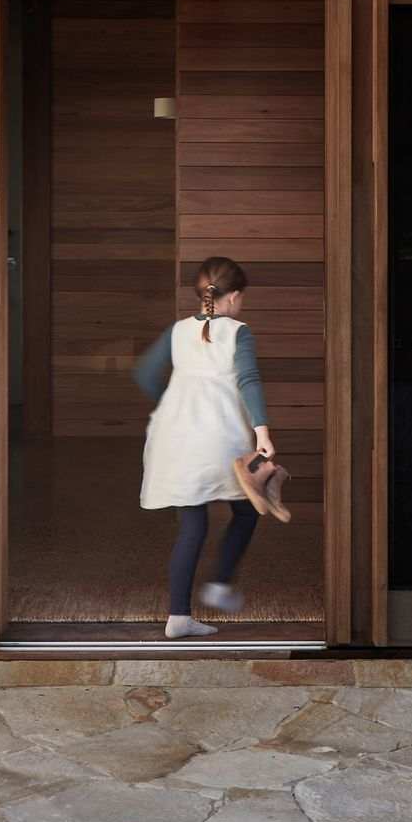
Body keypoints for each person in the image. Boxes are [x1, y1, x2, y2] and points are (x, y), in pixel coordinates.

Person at [134, 255, 279, 639]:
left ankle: (178, 616)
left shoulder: (177, 330)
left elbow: (145, 375)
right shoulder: (237, 331)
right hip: (220, 436)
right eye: (241, 297)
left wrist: (175, 403)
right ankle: (219, 584)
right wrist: (262, 432)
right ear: (232, 297)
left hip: (174, 436)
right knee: (247, 512)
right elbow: (249, 379)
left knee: (192, 525)